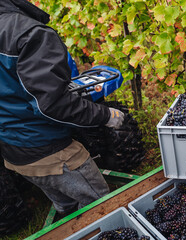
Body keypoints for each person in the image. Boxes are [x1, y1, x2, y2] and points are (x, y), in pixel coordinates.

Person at [0, 0, 125, 217]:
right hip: (49, 150)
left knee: (64, 203)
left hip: (12, 149)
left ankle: (68, 217)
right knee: (101, 205)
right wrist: (106, 115)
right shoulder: (30, 34)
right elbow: (53, 105)